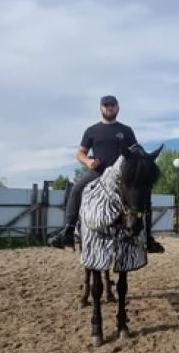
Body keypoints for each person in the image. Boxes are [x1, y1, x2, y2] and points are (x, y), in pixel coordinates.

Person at [50, 95, 164, 252]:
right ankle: (68, 232)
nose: (109, 108)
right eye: (106, 105)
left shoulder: (126, 130)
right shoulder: (91, 131)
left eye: (112, 105)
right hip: (98, 172)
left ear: (118, 108)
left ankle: (149, 239)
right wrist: (88, 161)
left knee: (144, 197)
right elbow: (80, 153)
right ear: (101, 108)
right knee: (76, 189)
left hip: (122, 175)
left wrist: (146, 160)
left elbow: (137, 150)